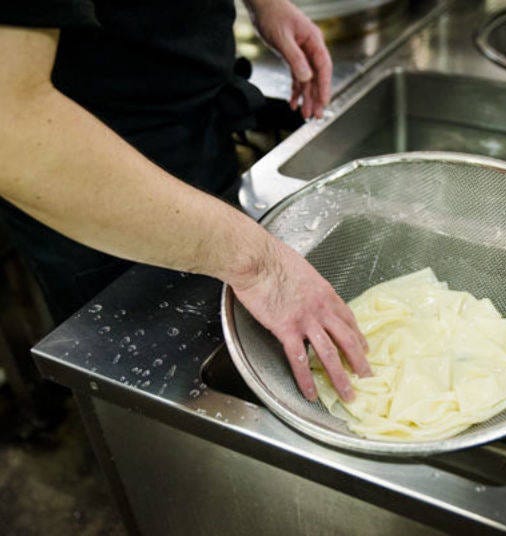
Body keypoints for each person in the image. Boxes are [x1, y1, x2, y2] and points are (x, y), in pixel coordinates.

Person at [0, 0, 370, 404]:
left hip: (199, 122)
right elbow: (12, 130)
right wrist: (261, 266)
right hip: (98, 190)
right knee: (153, 407)